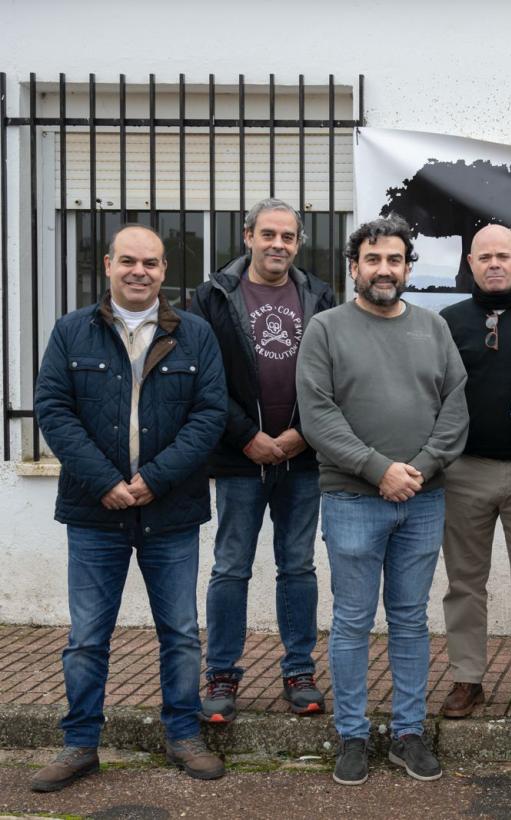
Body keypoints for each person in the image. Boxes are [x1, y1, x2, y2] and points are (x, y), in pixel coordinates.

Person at [32, 225, 228, 791]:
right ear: (111, 266)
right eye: (128, 262)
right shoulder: (72, 331)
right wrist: (106, 483)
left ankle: (183, 734)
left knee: (182, 633)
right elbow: (53, 409)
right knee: (88, 636)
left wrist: (152, 481)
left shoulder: (194, 334)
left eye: (151, 263)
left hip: (170, 510)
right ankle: (79, 744)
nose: (139, 271)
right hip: (96, 512)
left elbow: (209, 415)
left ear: (165, 271)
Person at [296, 216, 468, 787]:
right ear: (354, 268)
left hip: (422, 499)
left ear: (408, 268)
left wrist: (415, 471)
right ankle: (351, 735)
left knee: (411, 621)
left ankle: (408, 733)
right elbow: (319, 415)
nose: (384, 270)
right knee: (350, 621)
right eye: (373, 260)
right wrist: (378, 470)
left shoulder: (433, 328)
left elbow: (455, 408)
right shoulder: (325, 329)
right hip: (351, 499)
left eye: (395, 260)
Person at [191, 198, 336, 723]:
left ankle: (299, 671)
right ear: (248, 235)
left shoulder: (319, 295)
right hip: (238, 459)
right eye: (268, 234)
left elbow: (334, 376)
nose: (278, 245)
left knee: (297, 566)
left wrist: (303, 434)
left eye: (288, 236)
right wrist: (248, 435)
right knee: (231, 567)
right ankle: (222, 675)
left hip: (302, 457)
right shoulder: (212, 297)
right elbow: (201, 379)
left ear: (298, 243)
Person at [439, 225, 511, 721]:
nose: (494, 264)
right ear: (470, 262)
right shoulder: (445, 322)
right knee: (464, 582)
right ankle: (467, 678)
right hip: (464, 470)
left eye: (503, 256)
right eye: (484, 256)